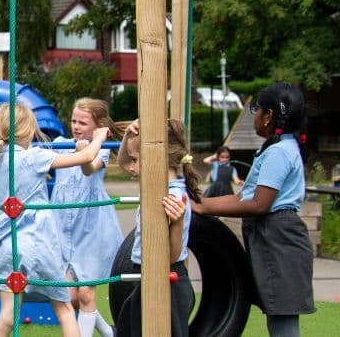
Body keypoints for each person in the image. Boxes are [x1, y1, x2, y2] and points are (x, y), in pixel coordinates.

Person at [0, 103, 110, 337]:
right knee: (65, 309)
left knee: (7, 317)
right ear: (29, 130)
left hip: (8, 245)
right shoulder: (35, 157)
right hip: (37, 244)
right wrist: (98, 137)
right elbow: (86, 156)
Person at [193, 83, 314, 336]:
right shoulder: (277, 147)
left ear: (268, 116)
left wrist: (203, 206)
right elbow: (245, 198)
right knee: (278, 314)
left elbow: (258, 204)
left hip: (278, 237)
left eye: (256, 109)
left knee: (282, 319)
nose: (255, 116)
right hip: (274, 236)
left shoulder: (279, 152)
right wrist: (203, 205)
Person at [115, 119, 200, 337]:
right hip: (147, 276)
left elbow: (170, 258)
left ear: (156, 158)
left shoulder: (171, 197)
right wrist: (128, 136)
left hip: (166, 281)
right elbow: (123, 162)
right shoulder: (154, 186)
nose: (131, 167)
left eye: (136, 160)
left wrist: (178, 223)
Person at [50, 98, 122, 337]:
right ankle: (109, 333)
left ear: (98, 126)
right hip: (63, 226)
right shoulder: (60, 144)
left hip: (91, 227)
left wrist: (86, 151)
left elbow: (88, 168)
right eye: (73, 120)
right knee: (69, 295)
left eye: (83, 122)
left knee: (86, 293)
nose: (76, 126)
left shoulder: (103, 147)